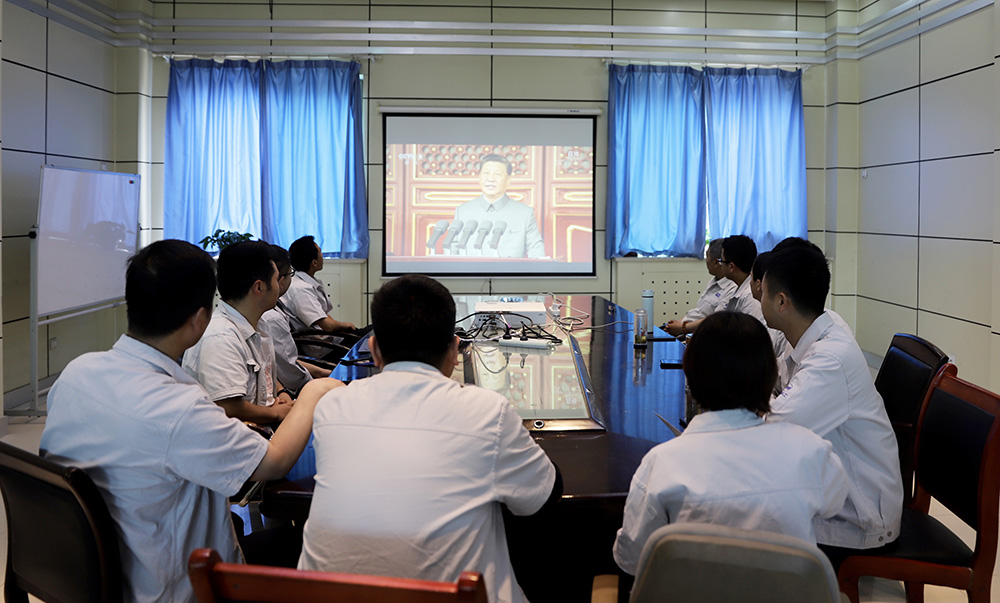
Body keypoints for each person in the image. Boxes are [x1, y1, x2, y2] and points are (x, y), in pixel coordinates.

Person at [39, 239, 342, 603]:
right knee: (320, 543)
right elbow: (274, 462)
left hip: (101, 574)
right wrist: (311, 396)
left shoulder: (76, 373)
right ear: (200, 319)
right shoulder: (178, 407)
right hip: (178, 585)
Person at [298, 274, 561, 603]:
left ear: (374, 349)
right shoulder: (487, 411)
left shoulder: (333, 407)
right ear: (454, 349)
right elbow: (541, 498)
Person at [613, 312, 849, 576]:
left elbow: (632, 559)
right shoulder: (811, 451)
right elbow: (833, 503)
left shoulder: (662, 463)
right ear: (770, 376)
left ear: (690, 376)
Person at [760, 246, 903, 554]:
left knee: (735, 514)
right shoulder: (810, 330)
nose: (758, 299)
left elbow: (773, 432)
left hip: (860, 514)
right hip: (832, 483)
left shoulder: (831, 359)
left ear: (781, 302)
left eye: (762, 292)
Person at [183, 240, 294, 423]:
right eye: (275, 280)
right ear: (259, 287)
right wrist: (276, 414)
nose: (279, 287)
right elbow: (227, 407)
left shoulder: (253, 323)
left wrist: (280, 392)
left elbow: (260, 374)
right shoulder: (222, 337)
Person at [259, 244, 330, 393]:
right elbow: (292, 375)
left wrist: (320, 372)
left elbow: (281, 362)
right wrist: (317, 382)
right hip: (293, 390)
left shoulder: (269, 309)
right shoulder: (271, 318)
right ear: (280, 280)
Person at [453, 153, 545, 258]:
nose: (490, 179)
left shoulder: (524, 213)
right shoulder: (463, 211)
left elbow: (537, 251)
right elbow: (452, 251)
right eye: (486, 173)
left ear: (508, 180)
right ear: (479, 177)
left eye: (497, 174)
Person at [681, 234, 762, 334]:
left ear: (731, 267)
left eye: (721, 261)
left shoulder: (750, 299)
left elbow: (751, 337)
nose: (720, 265)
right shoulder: (738, 288)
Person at [282, 235, 357, 334]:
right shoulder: (300, 289)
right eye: (320, 252)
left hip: (330, 337)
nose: (322, 256)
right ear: (314, 262)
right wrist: (346, 325)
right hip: (324, 345)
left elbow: (323, 315)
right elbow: (327, 326)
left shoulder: (305, 282)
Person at [665, 238, 735, 336]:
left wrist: (682, 328)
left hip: (698, 335)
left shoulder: (732, 288)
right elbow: (699, 312)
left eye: (707, 256)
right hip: (686, 329)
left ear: (716, 262)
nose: (706, 260)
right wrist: (678, 323)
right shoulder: (715, 280)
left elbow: (714, 321)